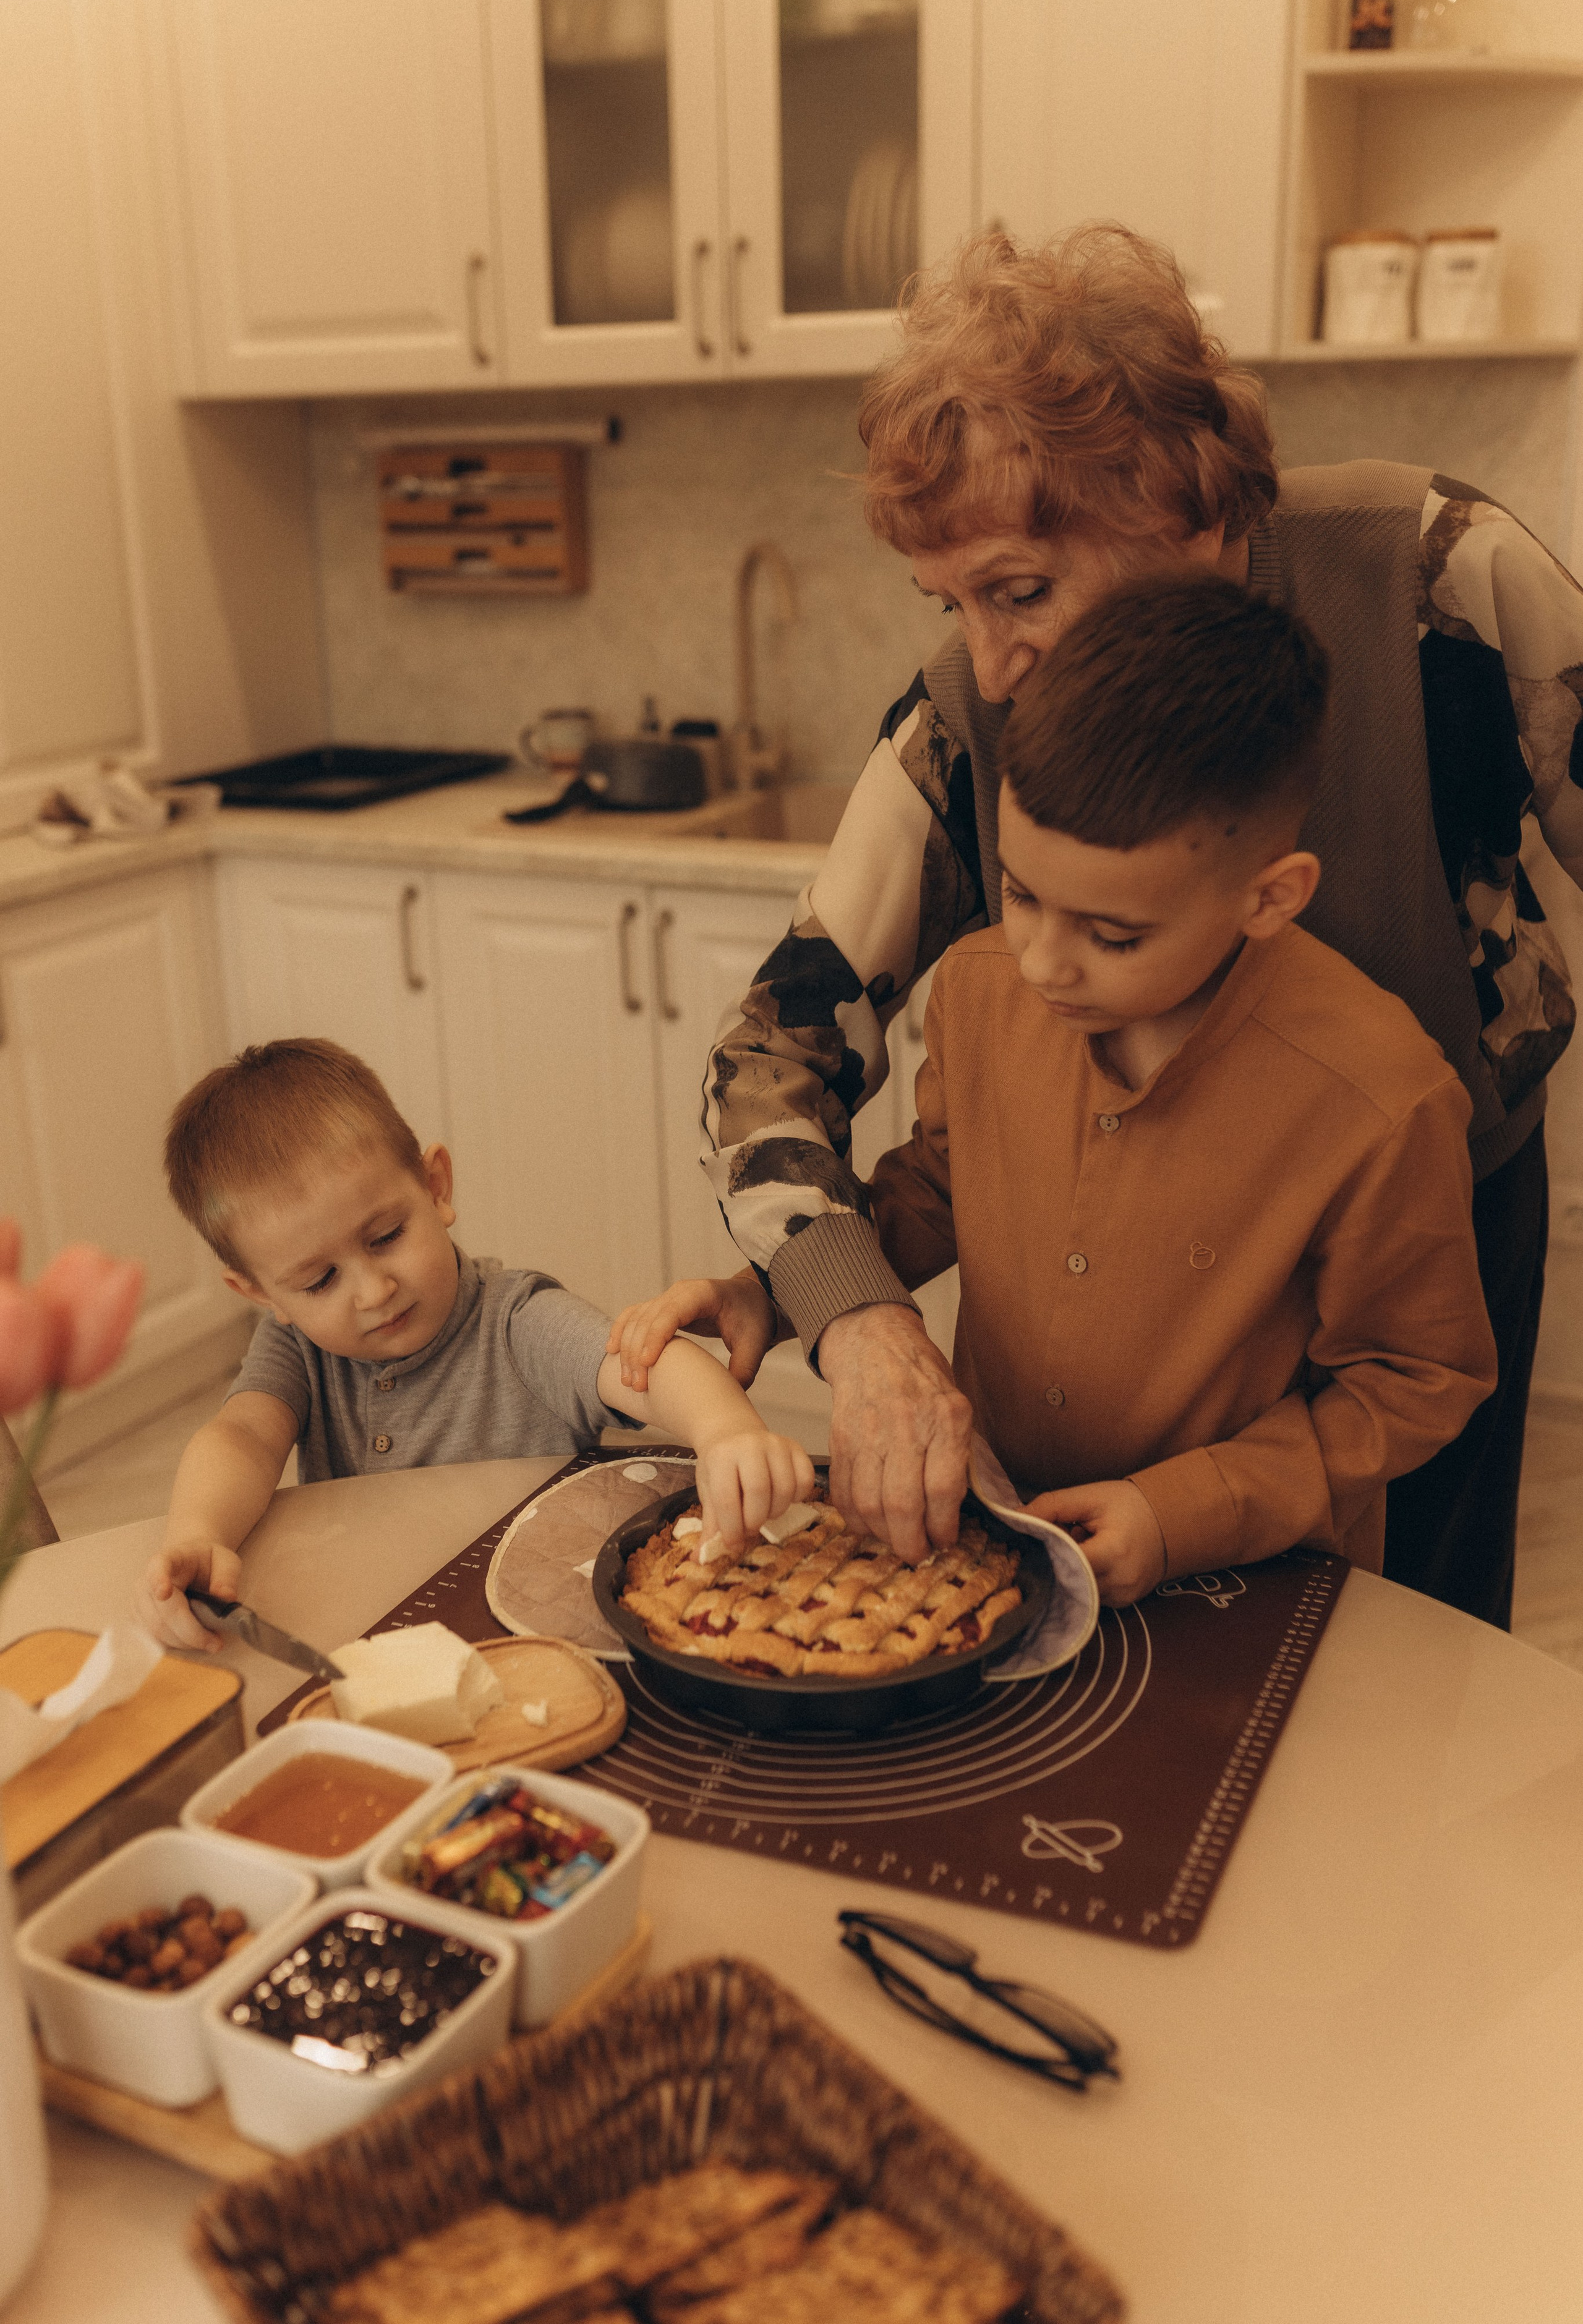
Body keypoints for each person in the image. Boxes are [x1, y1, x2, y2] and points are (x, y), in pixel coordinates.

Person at [615, 223, 1582, 1627]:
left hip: (1419, 1219)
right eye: (948, 602)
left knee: (1407, 1644)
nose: (989, 663)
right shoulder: (965, 709)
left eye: (1019, 588)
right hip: (1117, 1244)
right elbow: (769, 1050)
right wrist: (859, 1314)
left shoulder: (1437, 580)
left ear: (1183, 503)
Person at [621, 576, 1498, 1599]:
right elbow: (941, 1189)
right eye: (1025, 896)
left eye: (1113, 935)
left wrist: (1184, 1511)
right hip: (992, 1534)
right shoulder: (985, 988)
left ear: (1270, 897)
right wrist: (775, 1293)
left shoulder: (1382, 1096)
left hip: (1241, 1585)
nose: (1043, 961)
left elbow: (1415, 1380)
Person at [138, 1039, 812, 1653]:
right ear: (261, 1293)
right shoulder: (298, 1352)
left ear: (435, 1187)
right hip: (384, 1631)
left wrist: (724, 1431)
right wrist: (198, 1533)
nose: (373, 1291)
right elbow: (242, 1439)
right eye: (318, 1280)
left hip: (536, 1631)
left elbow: (646, 1362)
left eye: (386, 1238)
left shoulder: (517, 1322)